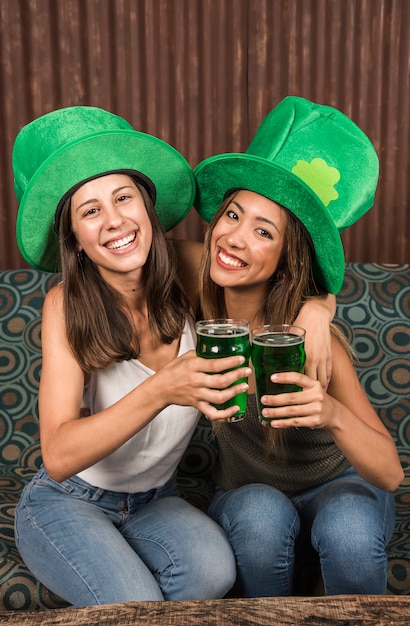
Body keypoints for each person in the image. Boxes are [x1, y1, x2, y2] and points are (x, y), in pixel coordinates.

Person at [12, 106, 250, 606]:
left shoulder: (188, 269)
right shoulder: (65, 304)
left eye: (124, 198)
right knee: (136, 606)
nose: (115, 220)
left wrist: (318, 312)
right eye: (91, 210)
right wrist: (162, 389)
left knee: (213, 575)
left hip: (154, 500)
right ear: (74, 238)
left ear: (147, 207)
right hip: (67, 499)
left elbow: (290, 273)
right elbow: (57, 456)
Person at [178, 96, 404, 596]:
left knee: (348, 527)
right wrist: (323, 303)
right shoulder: (196, 281)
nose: (235, 238)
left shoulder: (316, 346)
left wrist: (330, 412)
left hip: (338, 486)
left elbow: (389, 473)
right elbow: (137, 244)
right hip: (247, 492)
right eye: (232, 215)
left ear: (285, 260)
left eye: (263, 231)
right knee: (260, 515)